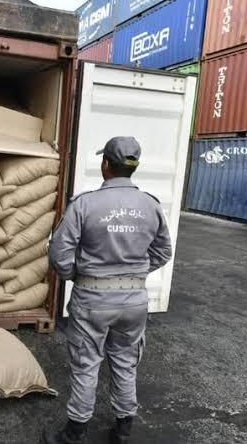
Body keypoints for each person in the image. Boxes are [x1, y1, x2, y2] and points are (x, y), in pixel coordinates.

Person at [43, 136, 172, 444]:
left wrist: (77, 275)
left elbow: (59, 252)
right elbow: (163, 252)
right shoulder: (151, 205)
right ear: (134, 166)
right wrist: (134, 274)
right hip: (134, 301)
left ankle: (74, 434)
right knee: (126, 362)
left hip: (92, 299)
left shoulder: (85, 204)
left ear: (105, 164)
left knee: (86, 364)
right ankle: (124, 430)